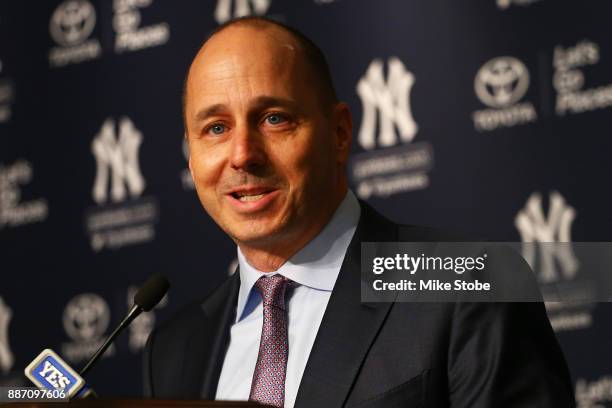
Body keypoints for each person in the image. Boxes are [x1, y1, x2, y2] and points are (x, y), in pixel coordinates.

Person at [144, 17, 575, 408]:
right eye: (216, 128)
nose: (243, 155)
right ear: (191, 154)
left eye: (274, 119)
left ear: (339, 133)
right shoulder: (174, 349)